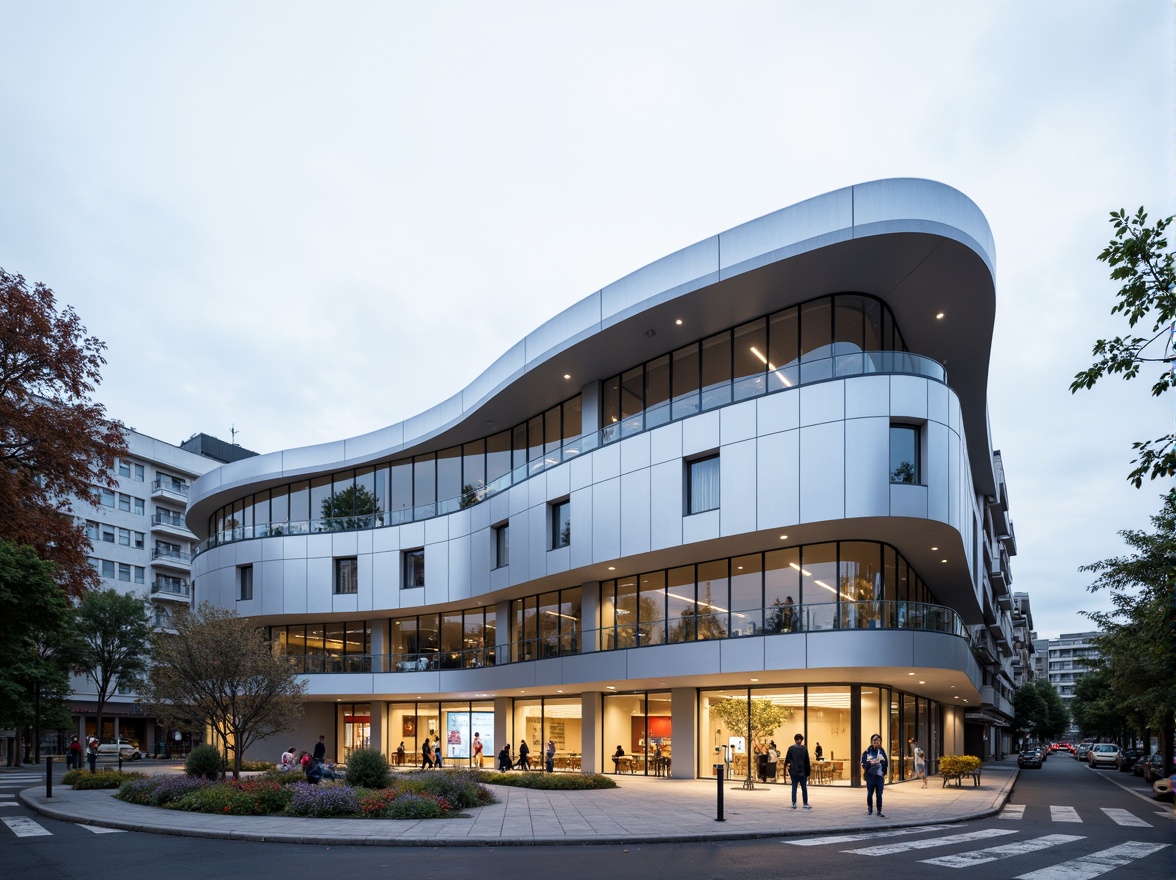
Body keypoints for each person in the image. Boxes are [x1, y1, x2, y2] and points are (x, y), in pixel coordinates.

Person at [861, 733, 889, 817]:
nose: (876, 742)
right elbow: (863, 763)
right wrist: (869, 763)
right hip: (870, 775)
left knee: (879, 794)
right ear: (871, 741)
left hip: (879, 776)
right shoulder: (867, 751)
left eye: (878, 740)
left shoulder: (882, 751)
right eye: (874, 740)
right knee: (870, 793)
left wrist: (882, 767)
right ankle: (870, 809)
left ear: (880, 742)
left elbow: (886, 762)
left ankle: (879, 811)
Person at [783, 733, 812, 809]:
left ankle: (794, 802)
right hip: (802, 772)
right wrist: (808, 772)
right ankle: (805, 803)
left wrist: (788, 768)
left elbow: (787, 760)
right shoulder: (804, 749)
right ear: (801, 740)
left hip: (794, 771)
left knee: (794, 787)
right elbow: (807, 761)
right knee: (804, 788)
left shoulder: (791, 748)